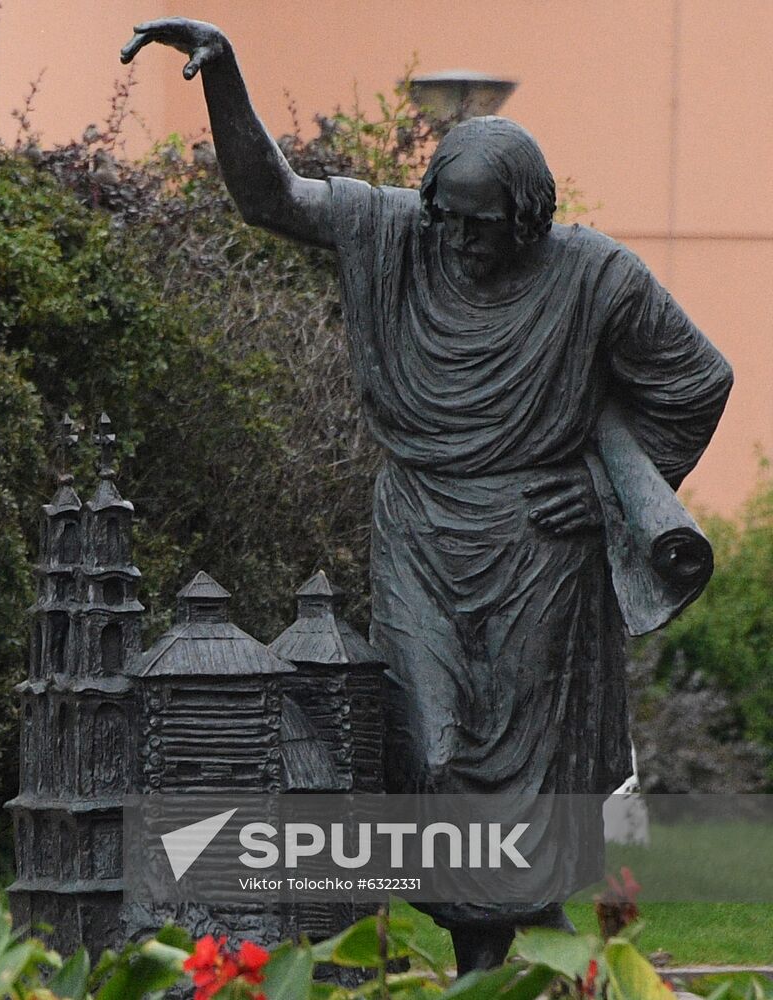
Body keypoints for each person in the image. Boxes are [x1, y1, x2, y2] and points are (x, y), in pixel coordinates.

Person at [122, 19, 733, 971]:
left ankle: (494, 957)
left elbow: (698, 382)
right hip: (418, 529)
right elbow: (269, 196)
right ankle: (492, 940)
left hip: (537, 544)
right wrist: (226, 76)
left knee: (527, 763)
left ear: (528, 218)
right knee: (430, 746)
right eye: (445, 215)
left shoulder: (597, 276)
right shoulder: (392, 232)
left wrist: (608, 500)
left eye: (480, 225)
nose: (456, 239)